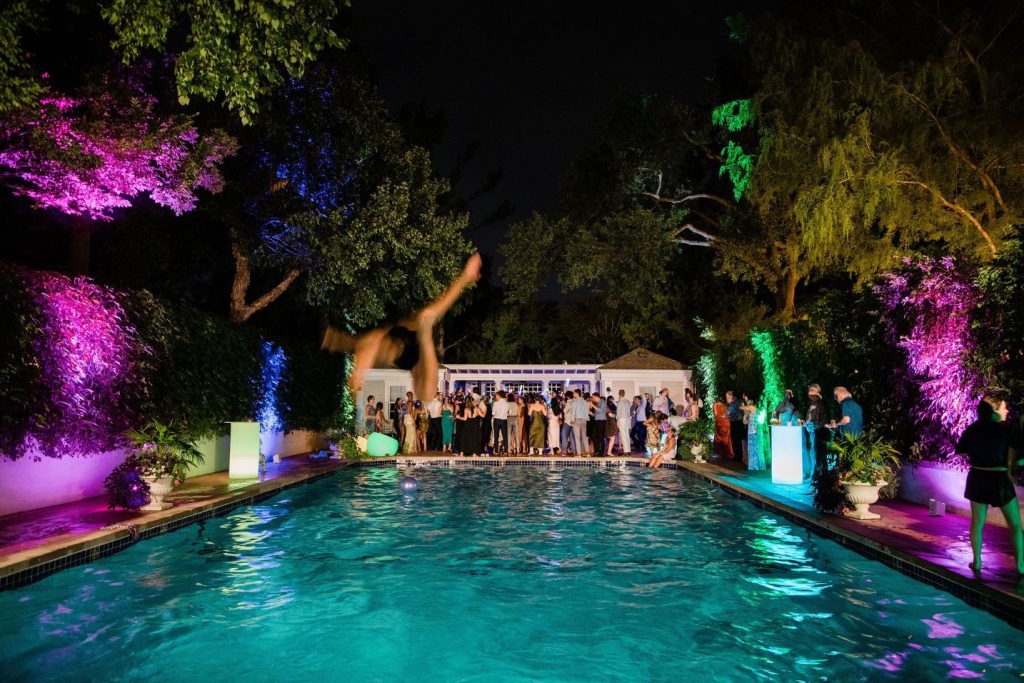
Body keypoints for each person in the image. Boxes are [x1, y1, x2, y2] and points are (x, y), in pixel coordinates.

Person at [321, 253, 482, 403]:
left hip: (407, 343)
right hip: (408, 346)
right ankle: (337, 343)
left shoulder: (397, 333)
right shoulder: (390, 340)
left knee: (425, 391)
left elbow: (441, 305)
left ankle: (338, 343)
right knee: (424, 391)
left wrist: (465, 276)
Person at [954, 389, 1023, 577]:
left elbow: (960, 451)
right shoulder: (1007, 430)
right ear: (995, 410)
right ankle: (1021, 566)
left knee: (977, 522)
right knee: (1015, 525)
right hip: (999, 479)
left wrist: (980, 454)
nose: (1007, 410)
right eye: (1004, 407)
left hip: (977, 477)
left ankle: (976, 561)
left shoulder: (973, 429)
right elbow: (1018, 458)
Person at [802, 384, 830, 479]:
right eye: (809, 391)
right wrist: (806, 423)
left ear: (816, 393)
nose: (809, 393)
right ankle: (814, 474)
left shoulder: (820, 404)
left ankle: (818, 475)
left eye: (811, 391)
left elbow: (824, 420)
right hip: (813, 432)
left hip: (817, 432)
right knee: (813, 453)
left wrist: (814, 426)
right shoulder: (813, 404)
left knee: (817, 453)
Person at [740, 395, 763, 470]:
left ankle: (755, 466)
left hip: (753, 431)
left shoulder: (752, 407)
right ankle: (753, 466)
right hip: (752, 430)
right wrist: (745, 416)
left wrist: (743, 403)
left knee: (754, 448)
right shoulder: (753, 409)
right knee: (752, 448)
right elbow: (745, 422)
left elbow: (741, 407)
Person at [569, 390, 591, 455]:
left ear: (576, 394)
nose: (573, 394)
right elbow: (587, 412)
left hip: (577, 420)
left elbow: (573, 412)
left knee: (577, 438)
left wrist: (572, 420)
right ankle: (587, 453)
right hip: (584, 420)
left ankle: (579, 454)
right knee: (585, 437)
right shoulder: (585, 402)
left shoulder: (574, 402)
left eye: (574, 393)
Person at [726, 391, 744, 462]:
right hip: (739, 422)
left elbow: (729, 412)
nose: (727, 398)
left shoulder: (733, 404)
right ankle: (738, 455)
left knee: (735, 439)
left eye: (727, 397)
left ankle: (737, 456)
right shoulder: (739, 401)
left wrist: (726, 415)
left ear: (731, 396)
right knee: (738, 440)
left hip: (735, 422)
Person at [616, 390, 632, 455]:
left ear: (619, 394)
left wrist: (617, 420)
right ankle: (628, 450)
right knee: (627, 434)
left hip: (622, 419)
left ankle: (626, 451)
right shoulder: (628, 401)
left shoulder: (620, 402)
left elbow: (618, 412)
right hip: (627, 419)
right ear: (624, 394)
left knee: (623, 435)